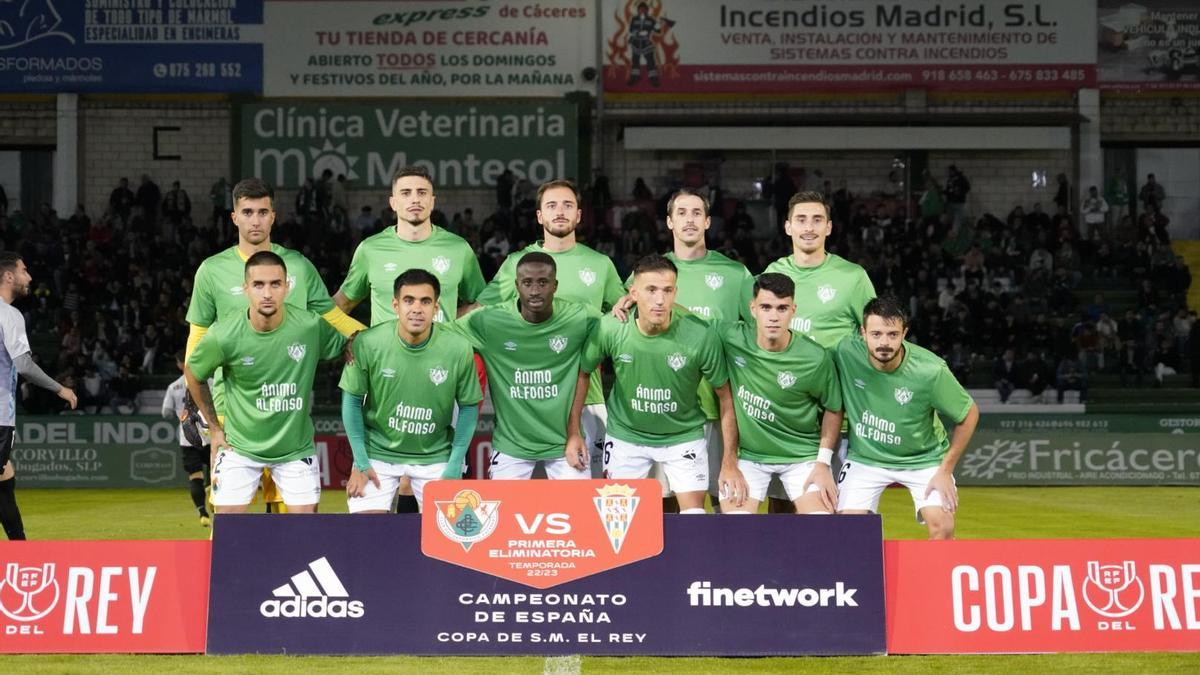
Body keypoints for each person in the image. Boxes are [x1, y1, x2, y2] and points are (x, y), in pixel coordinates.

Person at [185, 178, 364, 513]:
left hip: (285, 406)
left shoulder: (297, 266)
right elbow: (198, 337)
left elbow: (331, 318)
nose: (255, 220)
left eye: (262, 212)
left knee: (285, 515)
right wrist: (191, 399)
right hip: (230, 406)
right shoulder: (212, 270)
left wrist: (373, 338)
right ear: (234, 217)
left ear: (273, 216)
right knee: (229, 515)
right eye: (247, 212)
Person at [612, 189, 753, 510]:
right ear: (669, 222)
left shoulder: (735, 273)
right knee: (666, 504)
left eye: (695, 213)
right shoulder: (650, 274)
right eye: (681, 213)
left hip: (720, 408)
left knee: (727, 501)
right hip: (666, 412)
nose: (689, 219)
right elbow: (624, 327)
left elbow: (756, 332)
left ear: (707, 221)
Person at [477, 180, 624, 476]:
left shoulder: (599, 265)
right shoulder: (516, 264)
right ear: (539, 216)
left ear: (579, 215)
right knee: (509, 511)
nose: (560, 211)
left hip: (585, 399)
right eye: (552, 206)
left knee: (582, 508)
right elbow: (482, 314)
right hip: (524, 403)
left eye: (568, 205)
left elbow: (619, 320)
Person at [185, 252, 347, 515]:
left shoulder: (309, 326)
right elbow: (194, 374)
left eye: (275, 284)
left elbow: (346, 348)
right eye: (259, 285)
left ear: (287, 287)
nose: (267, 293)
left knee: (307, 535)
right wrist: (215, 428)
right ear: (245, 288)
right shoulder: (224, 335)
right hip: (239, 448)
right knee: (228, 530)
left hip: (295, 450)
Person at [573, 254, 736, 513]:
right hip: (626, 436)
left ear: (675, 293)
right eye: (651, 290)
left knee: (694, 515)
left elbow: (726, 396)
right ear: (633, 293)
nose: (660, 300)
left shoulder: (700, 335)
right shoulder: (611, 328)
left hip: (683, 436)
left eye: (667, 291)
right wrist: (573, 431)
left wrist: (729, 460)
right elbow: (583, 373)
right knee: (618, 519)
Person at [761, 190, 875, 512]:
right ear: (787, 227)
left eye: (816, 220)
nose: (808, 227)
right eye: (801, 220)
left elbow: (874, 334)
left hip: (836, 414)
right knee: (781, 508)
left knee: (835, 507)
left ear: (828, 227)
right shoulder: (773, 273)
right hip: (784, 414)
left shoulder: (852, 277)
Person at [833, 297, 980, 540]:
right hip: (866, 459)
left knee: (942, 527)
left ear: (905, 332)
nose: (884, 342)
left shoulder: (930, 370)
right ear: (863, 332)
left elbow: (969, 413)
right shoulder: (846, 352)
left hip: (924, 459)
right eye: (876, 334)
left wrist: (946, 469)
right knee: (848, 531)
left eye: (892, 334)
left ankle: (936, 578)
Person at [341, 269, 482, 512]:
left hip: (435, 457)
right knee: (363, 538)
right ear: (395, 305)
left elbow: (469, 407)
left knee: (450, 542)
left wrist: (454, 464)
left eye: (425, 301)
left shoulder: (458, 348)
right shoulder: (368, 343)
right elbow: (352, 402)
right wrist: (361, 463)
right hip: (378, 454)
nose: (417, 308)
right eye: (409, 300)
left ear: (436, 307)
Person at [454, 253, 597, 480]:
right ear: (516, 285)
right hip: (511, 447)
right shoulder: (489, 321)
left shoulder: (580, 317)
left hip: (566, 444)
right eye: (527, 283)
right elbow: (439, 336)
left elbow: (616, 332)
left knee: (581, 513)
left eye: (543, 282)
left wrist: (625, 306)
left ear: (555, 285)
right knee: (504, 515)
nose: (535, 291)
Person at [715, 273, 844, 514]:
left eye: (782, 308)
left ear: (793, 310)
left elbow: (834, 408)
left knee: (822, 525)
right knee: (734, 525)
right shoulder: (733, 337)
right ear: (753, 309)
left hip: (802, 456)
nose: (774, 316)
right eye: (766, 307)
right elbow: (689, 320)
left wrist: (823, 463)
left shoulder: (815, 358)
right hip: (751, 457)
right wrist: (637, 301)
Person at [336, 166, 484, 327]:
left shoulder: (458, 249)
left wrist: (447, 323)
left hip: (441, 352)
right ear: (393, 203)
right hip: (385, 352)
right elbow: (343, 304)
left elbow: (480, 306)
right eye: (406, 193)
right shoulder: (370, 249)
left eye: (422, 192)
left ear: (432, 201)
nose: (415, 199)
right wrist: (357, 339)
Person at [0, 252, 78, 540]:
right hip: (0, 418)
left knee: (5, 476)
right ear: (8, 276)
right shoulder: (9, 315)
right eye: (24, 270)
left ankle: (19, 549)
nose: (29, 277)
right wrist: (60, 388)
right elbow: (23, 365)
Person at [162, 350, 211, 527]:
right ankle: (212, 491)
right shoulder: (209, 381)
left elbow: (165, 412)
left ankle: (202, 512)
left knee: (194, 475)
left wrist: (179, 412)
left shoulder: (174, 387)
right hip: (210, 435)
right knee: (217, 472)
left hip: (188, 437)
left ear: (179, 363)